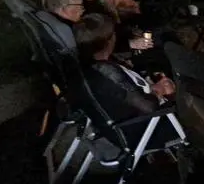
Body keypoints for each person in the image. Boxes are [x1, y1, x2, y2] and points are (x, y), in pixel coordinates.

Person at [73, 13, 179, 157]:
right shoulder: (107, 73)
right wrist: (160, 89)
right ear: (109, 41)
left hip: (117, 128)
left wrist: (153, 88)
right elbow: (149, 107)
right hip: (144, 132)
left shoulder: (86, 66)